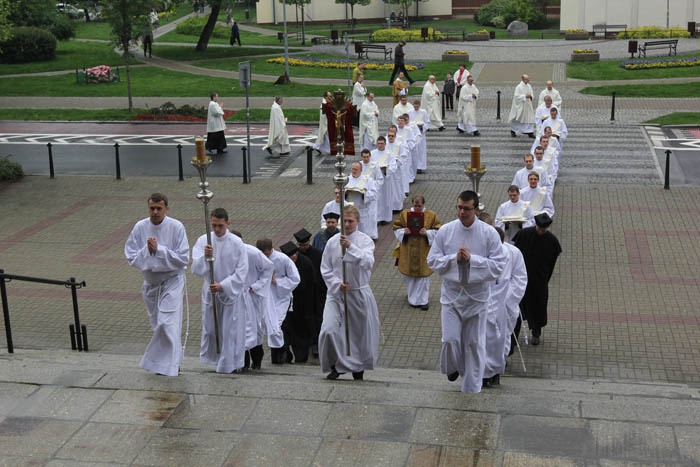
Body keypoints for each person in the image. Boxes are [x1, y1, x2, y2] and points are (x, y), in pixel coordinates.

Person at [426, 190, 506, 393]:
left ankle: (472, 388)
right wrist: (454, 259)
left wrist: (473, 260)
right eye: (459, 207)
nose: (462, 212)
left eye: (466, 209)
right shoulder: (446, 230)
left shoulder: (489, 233)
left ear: (476, 209)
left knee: (474, 343)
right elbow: (433, 260)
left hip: (477, 297)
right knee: (450, 339)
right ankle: (452, 366)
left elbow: (498, 266)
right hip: (452, 295)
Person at [124, 193, 189, 377]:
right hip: (151, 283)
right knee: (157, 325)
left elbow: (183, 258)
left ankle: (167, 365)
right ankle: (169, 363)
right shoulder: (140, 227)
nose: (155, 212)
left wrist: (159, 250)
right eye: (152, 208)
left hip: (171, 282)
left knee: (167, 323)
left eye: (159, 208)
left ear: (166, 209)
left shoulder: (176, 227)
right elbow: (131, 256)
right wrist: (147, 251)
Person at [319, 205, 381, 381]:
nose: (347, 224)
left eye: (350, 221)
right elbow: (325, 268)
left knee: (357, 333)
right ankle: (335, 363)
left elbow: (367, 262)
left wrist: (351, 247)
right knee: (329, 329)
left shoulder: (365, 241)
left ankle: (357, 366)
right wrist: (337, 284)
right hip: (337, 294)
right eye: (344, 221)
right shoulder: (332, 243)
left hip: (357, 293)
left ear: (358, 221)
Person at [191, 208, 248, 373]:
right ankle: (215, 359)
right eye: (214, 225)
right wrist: (205, 256)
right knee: (210, 328)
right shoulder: (204, 240)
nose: (216, 229)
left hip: (228, 292)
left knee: (228, 329)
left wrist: (223, 285)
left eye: (220, 226)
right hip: (210, 290)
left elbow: (242, 270)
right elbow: (196, 268)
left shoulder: (237, 243)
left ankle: (228, 364)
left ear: (227, 223)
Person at [483, 226, 528, 388]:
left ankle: (496, 371)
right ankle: (483, 372)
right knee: (483, 339)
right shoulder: (483, 253)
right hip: (484, 303)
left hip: (505, 304)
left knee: (501, 338)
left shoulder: (513, 253)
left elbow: (520, 278)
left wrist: (506, 298)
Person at [513, 213, 561, 346]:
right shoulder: (524, 235)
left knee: (538, 306)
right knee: (518, 306)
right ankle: (514, 335)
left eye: (543, 229)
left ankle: (536, 332)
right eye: (539, 228)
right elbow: (515, 254)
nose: (541, 231)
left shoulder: (552, 241)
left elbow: (552, 263)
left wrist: (545, 278)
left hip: (539, 279)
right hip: (522, 277)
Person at [233, 231, 273, 371]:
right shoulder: (226, 252)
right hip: (235, 296)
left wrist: (255, 286)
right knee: (237, 330)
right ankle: (242, 362)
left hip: (251, 295)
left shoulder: (253, 253)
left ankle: (257, 361)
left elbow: (268, 269)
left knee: (254, 329)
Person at [393, 194, 441, 310]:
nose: (417, 207)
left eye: (419, 206)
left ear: (423, 204)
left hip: (423, 250)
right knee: (410, 276)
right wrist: (404, 231)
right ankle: (412, 297)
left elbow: (438, 230)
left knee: (423, 278)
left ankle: (423, 300)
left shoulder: (431, 215)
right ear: (412, 203)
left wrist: (428, 233)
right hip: (408, 248)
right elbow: (396, 227)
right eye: (415, 205)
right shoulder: (405, 214)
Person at [257, 238, 300, 364]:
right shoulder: (257, 258)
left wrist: (278, 282)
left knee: (277, 325)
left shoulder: (283, 259)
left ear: (271, 249)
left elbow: (295, 279)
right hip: (264, 297)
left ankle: (281, 353)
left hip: (280, 297)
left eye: (266, 254)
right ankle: (277, 353)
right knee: (267, 325)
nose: (264, 257)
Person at [279, 241, 315, 363]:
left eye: (293, 255)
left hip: (302, 304)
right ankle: (285, 354)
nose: (292, 258)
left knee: (300, 334)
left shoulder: (305, 264)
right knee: (285, 329)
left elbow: (308, 286)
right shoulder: (281, 263)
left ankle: (301, 357)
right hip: (285, 303)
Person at [294, 228, 325, 358]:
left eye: (305, 245)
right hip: (301, 293)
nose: (303, 248)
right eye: (300, 246)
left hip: (316, 291)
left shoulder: (318, 254)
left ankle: (316, 342)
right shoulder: (295, 255)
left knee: (317, 317)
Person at [345, 161, 378, 240]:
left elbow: (374, 194)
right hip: (350, 209)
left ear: (361, 170)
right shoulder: (347, 179)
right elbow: (340, 193)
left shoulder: (367, 180)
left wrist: (363, 194)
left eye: (356, 169)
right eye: (353, 169)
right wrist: (345, 193)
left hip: (362, 210)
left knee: (363, 232)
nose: (354, 171)